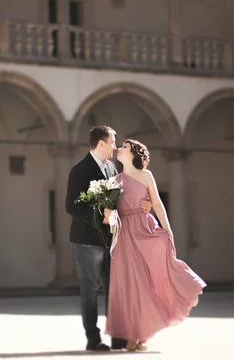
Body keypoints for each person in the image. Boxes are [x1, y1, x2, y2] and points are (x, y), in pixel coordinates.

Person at [104, 139, 207, 351]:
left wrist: (167, 228)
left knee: (146, 282)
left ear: (133, 154)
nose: (119, 149)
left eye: (124, 147)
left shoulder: (146, 175)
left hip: (144, 230)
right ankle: (135, 336)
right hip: (124, 235)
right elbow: (109, 210)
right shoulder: (114, 179)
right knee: (130, 286)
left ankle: (141, 336)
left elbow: (157, 202)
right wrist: (108, 214)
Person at [65, 126, 152, 351]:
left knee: (114, 288)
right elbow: (72, 205)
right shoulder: (80, 169)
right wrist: (99, 217)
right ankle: (93, 339)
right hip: (87, 239)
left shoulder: (112, 167)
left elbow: (121, 201)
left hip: (112, 239)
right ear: (101, 144)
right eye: (113, 142)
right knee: (90, 289)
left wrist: (145, 204)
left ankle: (118, 337)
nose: (116, 146)